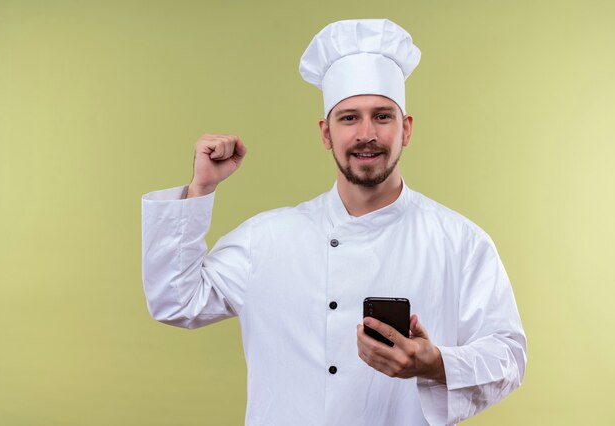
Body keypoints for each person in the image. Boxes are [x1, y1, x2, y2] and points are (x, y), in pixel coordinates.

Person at [141, 19, 527, 426]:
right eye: (348, 118)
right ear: (326, 133)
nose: (366, 134)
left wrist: (437, 363)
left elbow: (509, 357)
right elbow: (175, 300)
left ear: (406, 129)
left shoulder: (459, 242)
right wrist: (201, 188)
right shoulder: (267, 238)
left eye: (382, 116)